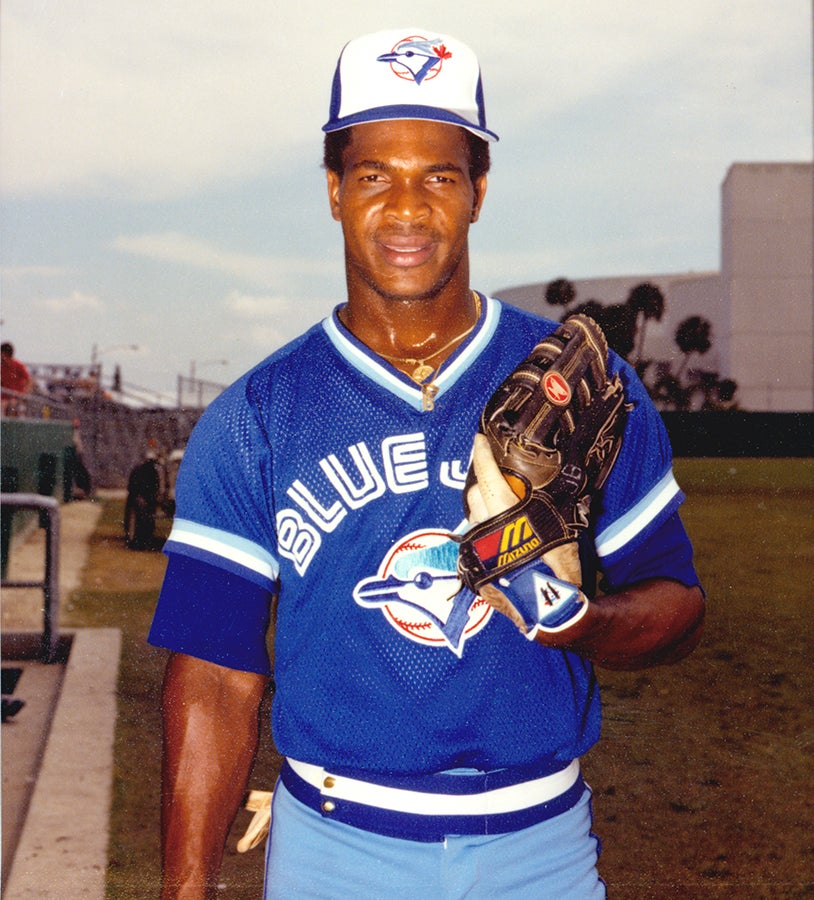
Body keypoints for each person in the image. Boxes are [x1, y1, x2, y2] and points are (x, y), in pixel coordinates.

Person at [149, 28, 705, 899]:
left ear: (478, 191)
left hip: (542, 850)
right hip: (334, 850)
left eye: (439, 176)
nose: (406, 209)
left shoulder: (573, 387)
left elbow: (677, 599)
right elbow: (215, 675)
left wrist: (580, 622)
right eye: (375, 175)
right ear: (334, 191)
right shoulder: (257, 416)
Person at [1, 342, 33, 416]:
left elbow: (29, 380)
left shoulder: (18, 365)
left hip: (17, 397)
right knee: (3, 406)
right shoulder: (1, 367)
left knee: (12, 405)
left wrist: (25, 394)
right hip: (4, 398)